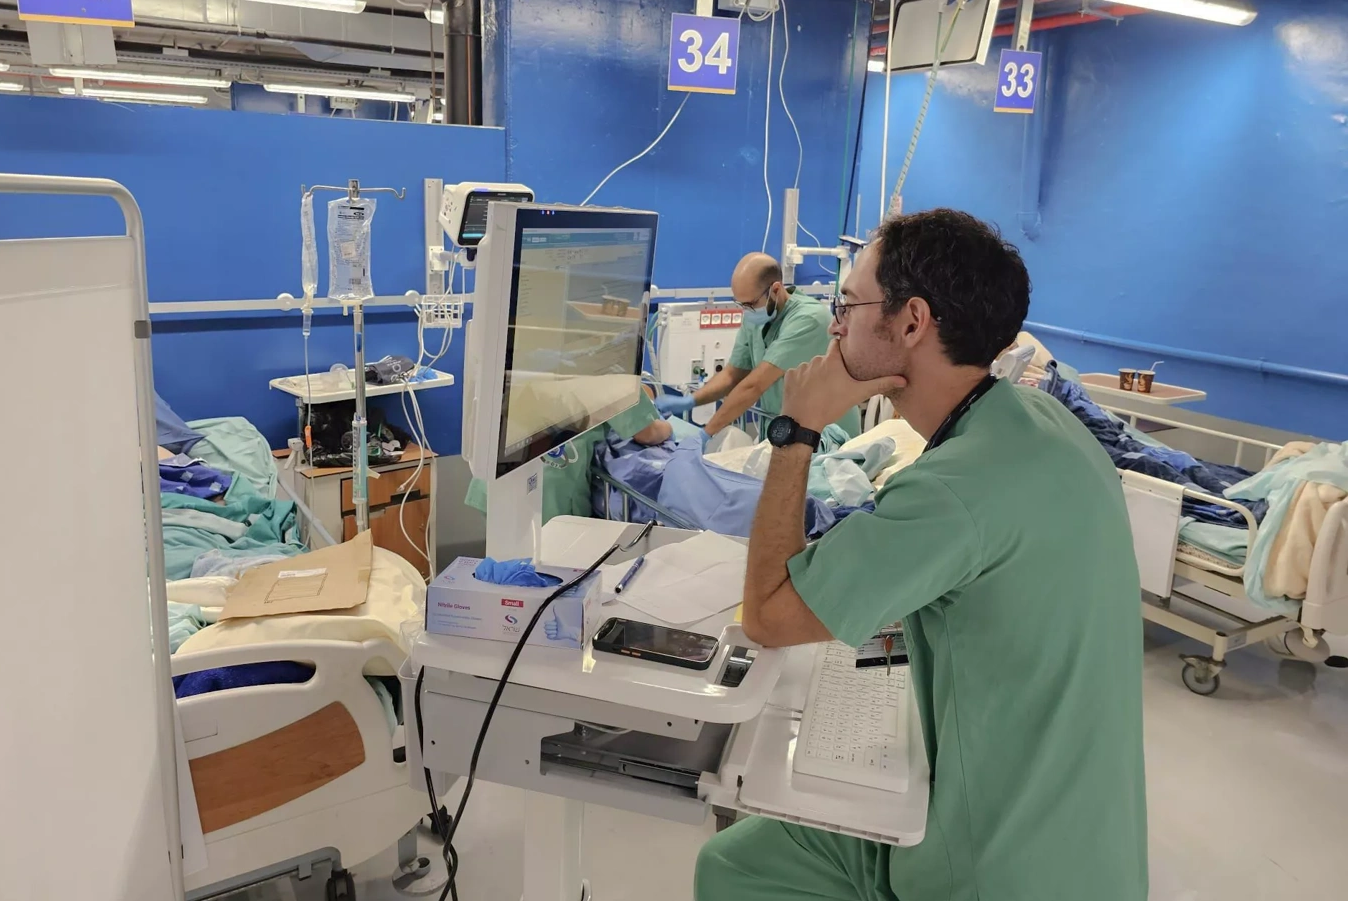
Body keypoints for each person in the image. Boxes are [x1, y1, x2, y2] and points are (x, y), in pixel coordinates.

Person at [695, 210, 1147, 901]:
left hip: (993, 868)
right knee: (739, 859)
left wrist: (798, 429)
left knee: (734, 861)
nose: (835, 324)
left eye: (847, 304)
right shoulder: (1042, 422)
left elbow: (766, 616)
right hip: (1090, 846)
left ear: (911, 322)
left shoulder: (952, 491)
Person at [655, 253, 860, 439]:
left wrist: (705, 434)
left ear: (776, 289)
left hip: (827, 437)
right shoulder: (755, 317)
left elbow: (754, 385)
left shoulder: (809, 320)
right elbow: (732, 375)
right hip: (786, 432)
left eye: (750, 304)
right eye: (740, 304)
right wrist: (691, 401)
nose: (746, 310)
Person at [465, 387, 672, 521]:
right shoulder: (614, 375)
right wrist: (670, 428)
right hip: (548, 492)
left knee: (506, 561)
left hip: (497, 475)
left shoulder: (549, 351)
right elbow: (648, 433)